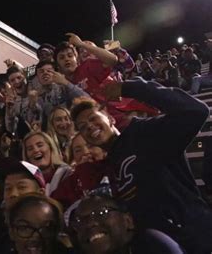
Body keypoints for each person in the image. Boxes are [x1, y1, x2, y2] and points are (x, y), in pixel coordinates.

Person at [70, 77, 212, 253]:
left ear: (110, 118)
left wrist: (131, 87)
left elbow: (196, 111)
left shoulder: (143, 133)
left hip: (196, 237)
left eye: (93, 119)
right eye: (83, 127)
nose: (90, 127)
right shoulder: (110, 167)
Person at [72, 195, 184, 254]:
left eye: (102, 213)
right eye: (80, 220)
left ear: (128, 221)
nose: (90, 223)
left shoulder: (154, 244)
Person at [22, 131, 71, 195]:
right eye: (30, 149)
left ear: (50, 148)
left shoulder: (68, 173)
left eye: (40, 145)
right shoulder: (24, 180)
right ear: (27, 156)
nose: (36, 150)